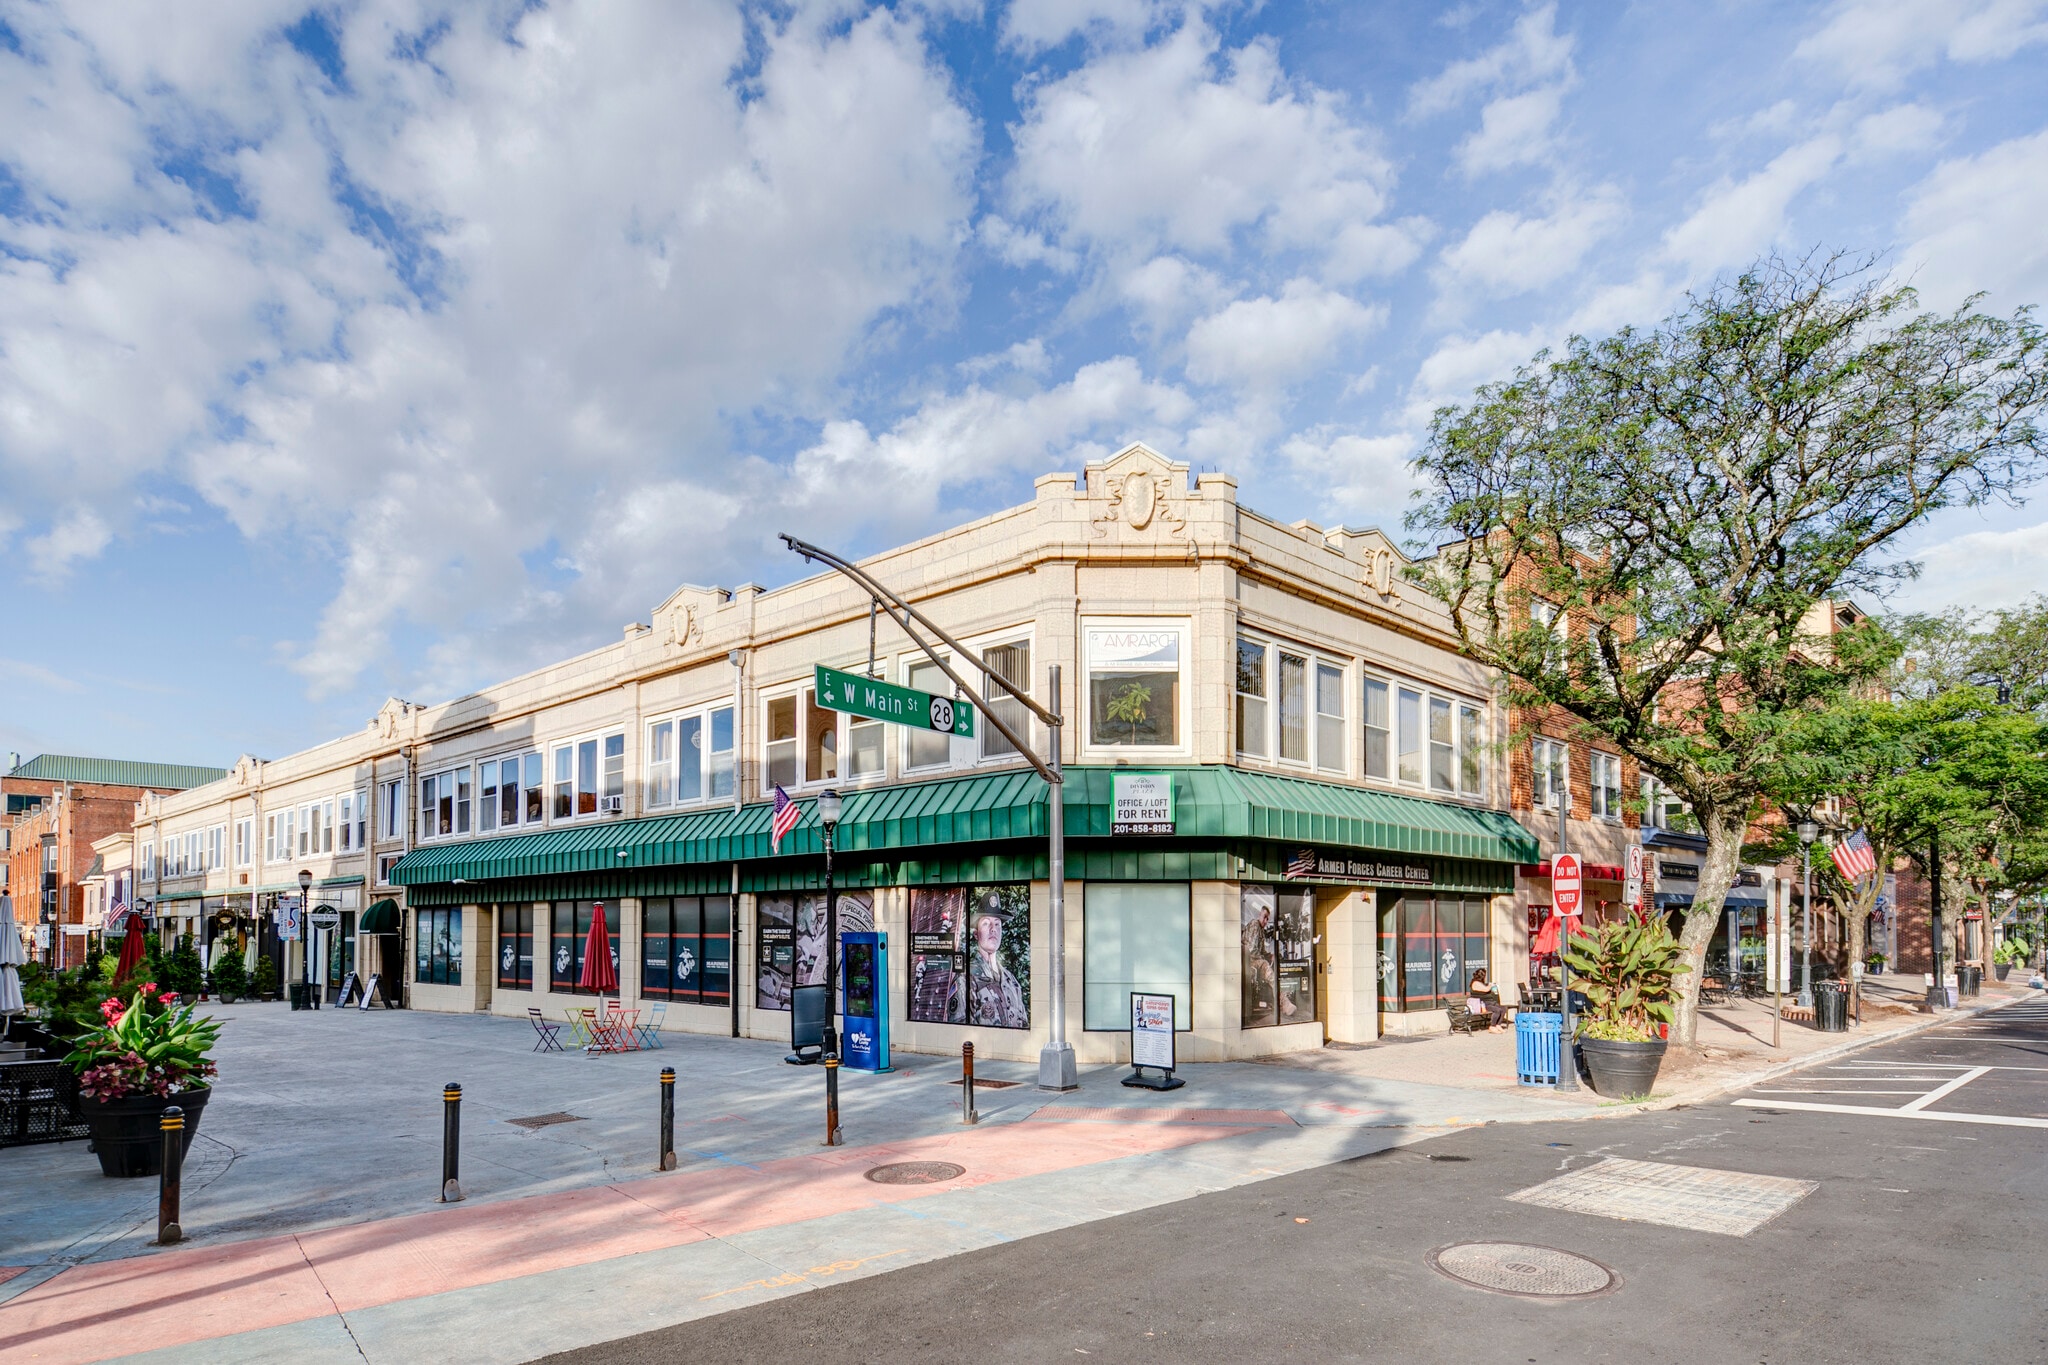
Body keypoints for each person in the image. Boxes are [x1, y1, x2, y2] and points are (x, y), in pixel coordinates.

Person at [963, 892, 1028, 1028]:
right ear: (976, 934)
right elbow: (960, 1031)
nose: (993, 929)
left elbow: (1024, 1026)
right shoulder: (966, 978)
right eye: (986, 923)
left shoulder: (1012, 982)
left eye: (997, 924)